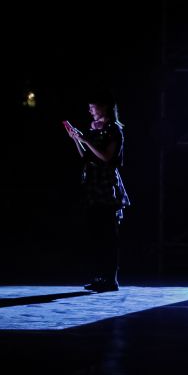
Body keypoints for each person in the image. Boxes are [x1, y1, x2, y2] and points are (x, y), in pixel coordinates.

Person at [65, 91, 130, 292]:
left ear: (104, 107)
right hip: (93, 183)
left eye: (93, 107)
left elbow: (106, 157)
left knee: (109, 233)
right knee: (97, 233)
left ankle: (110, 278)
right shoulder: (94, 128)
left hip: (106, 183)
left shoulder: (114, 130)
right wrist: (76, 139)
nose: (91, 111)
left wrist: (85, 140)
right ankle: (100, 276)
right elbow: (86, 156)